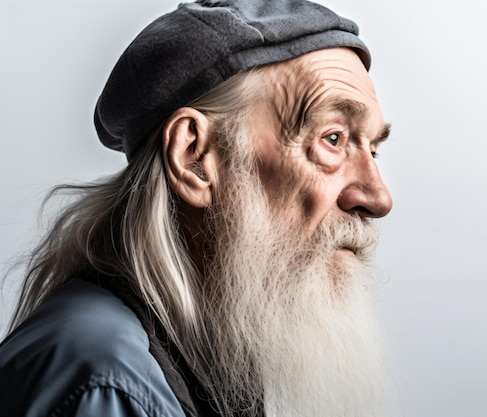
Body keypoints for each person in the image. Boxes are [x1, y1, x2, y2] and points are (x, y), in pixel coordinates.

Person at [0, 1, 393, 416]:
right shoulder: (106, 385)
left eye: (373, 149)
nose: (378, 196)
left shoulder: (194, 360)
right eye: (332, 139)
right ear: (194, 157)